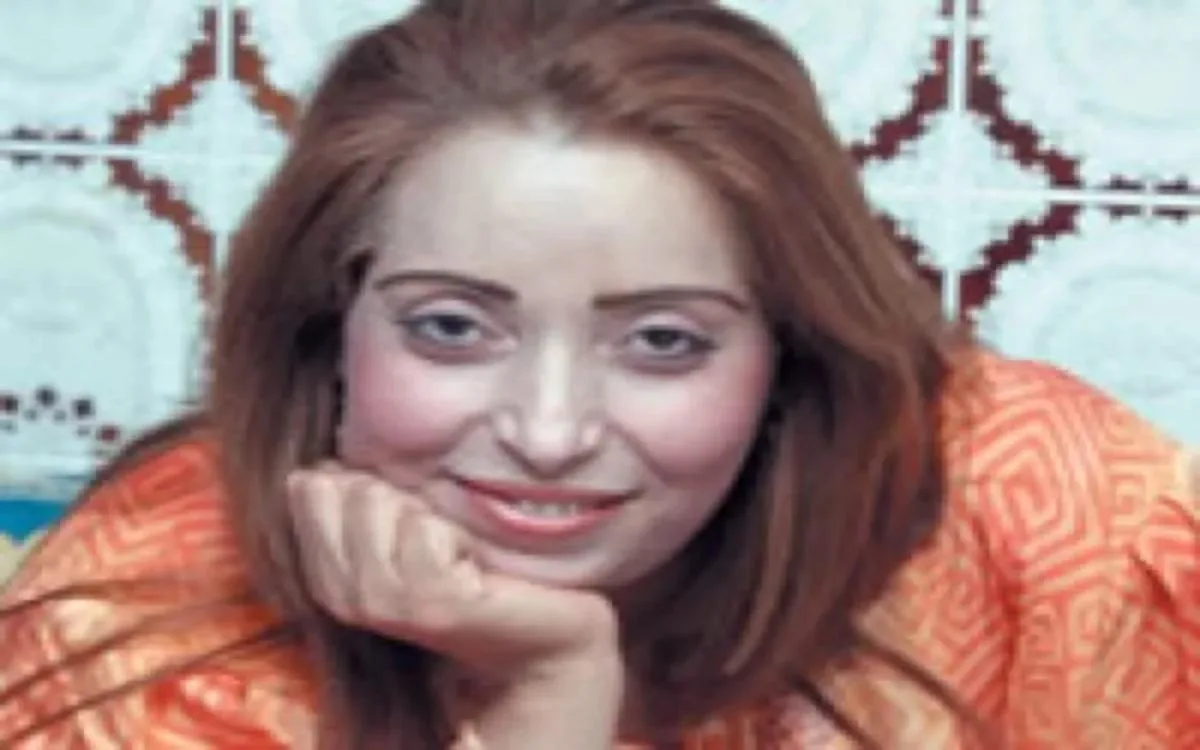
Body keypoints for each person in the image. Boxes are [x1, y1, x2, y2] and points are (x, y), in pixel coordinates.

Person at [1, 1, 1196, 748]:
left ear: (791, 357)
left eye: (665, 341)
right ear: (327, 330)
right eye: (452, 328)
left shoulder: (1043, 510)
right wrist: (547, 693)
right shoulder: (132, 632)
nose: (550, 431)